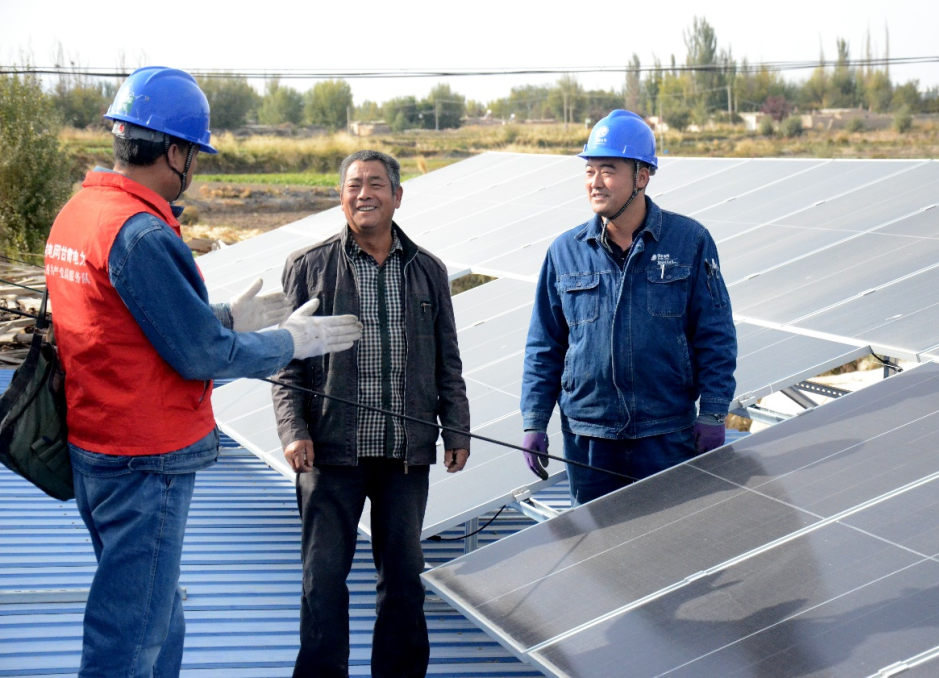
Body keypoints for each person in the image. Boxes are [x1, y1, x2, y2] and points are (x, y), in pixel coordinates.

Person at [44, 66, 362, 678]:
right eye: (194, 152)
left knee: (156, 617)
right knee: (130, 639)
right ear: (174, 152)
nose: (194, 166)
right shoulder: (138, 233)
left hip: (96, 444)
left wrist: (223, 318)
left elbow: (122, 324)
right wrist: (289, 343)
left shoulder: (81, 213)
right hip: (144, 459)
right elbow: (201, 356)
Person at [271, 150, 471, 678]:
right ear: (341, 197)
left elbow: (447, 358)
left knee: (403, 580)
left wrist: (456, 428)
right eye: (354, 184)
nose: (365, 193)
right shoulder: (308, 266)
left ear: (397, 196)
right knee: (322, 580)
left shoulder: (427, 270)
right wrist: (293, 430)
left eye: (377, 184)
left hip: (404, 453)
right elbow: (288, 360)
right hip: (328, 452)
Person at [519, 109, 737, 504]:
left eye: (608, 170)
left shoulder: (689, 241)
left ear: (642, 176)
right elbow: (544, 346)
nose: (595, 182)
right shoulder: (564, 252)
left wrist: (714, 411)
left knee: (670, 535)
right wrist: (534, 420)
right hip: (589, 438)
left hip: (665, 433)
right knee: (599, 540)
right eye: (589, 171)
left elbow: (715, 335)